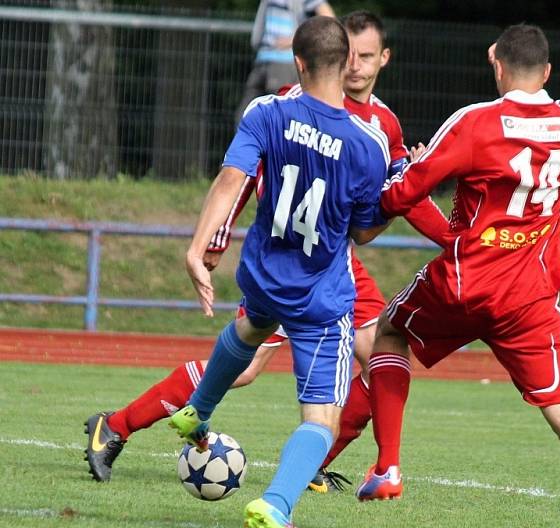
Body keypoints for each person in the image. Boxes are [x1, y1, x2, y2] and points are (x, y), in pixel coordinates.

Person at [83, 12, 449, 490]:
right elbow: (245, 175)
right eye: (349, 56)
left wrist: (454, 239)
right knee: (250, 365)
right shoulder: (290, 105)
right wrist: (216, 237)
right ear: (332, 62)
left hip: (334, 265)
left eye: (365, 56)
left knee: (380, 346)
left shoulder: (384, 126)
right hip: (292, 257)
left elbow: (404, 194)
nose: (355, 66)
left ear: (382, 59)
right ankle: (119, 424)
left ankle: (357, 465)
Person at [354, 24, 560, 528]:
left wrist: (402, 172)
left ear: (495, 62)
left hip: (466, 280)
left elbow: (406, 191)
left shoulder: (476, 121)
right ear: (547, 71)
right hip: (530, 293)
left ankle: (389, 465)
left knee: (390, 331)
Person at [169, 15, 391, 528]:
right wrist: (395, 202)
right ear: (347, 65)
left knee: (251, 324)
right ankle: (276, 503)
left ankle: (198, 407)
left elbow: (230, 180)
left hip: (263, 273)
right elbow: (363, 228)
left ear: (297, 63)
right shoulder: (368, 144)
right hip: (319, 295)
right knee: (321, 418)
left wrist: (196, 250)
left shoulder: (267, 110)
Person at [236, 0, 335, 122]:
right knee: (245, 116)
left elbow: (329, 21)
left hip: (284, 62)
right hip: (262, 58)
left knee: (281, 118)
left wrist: (296, 38)